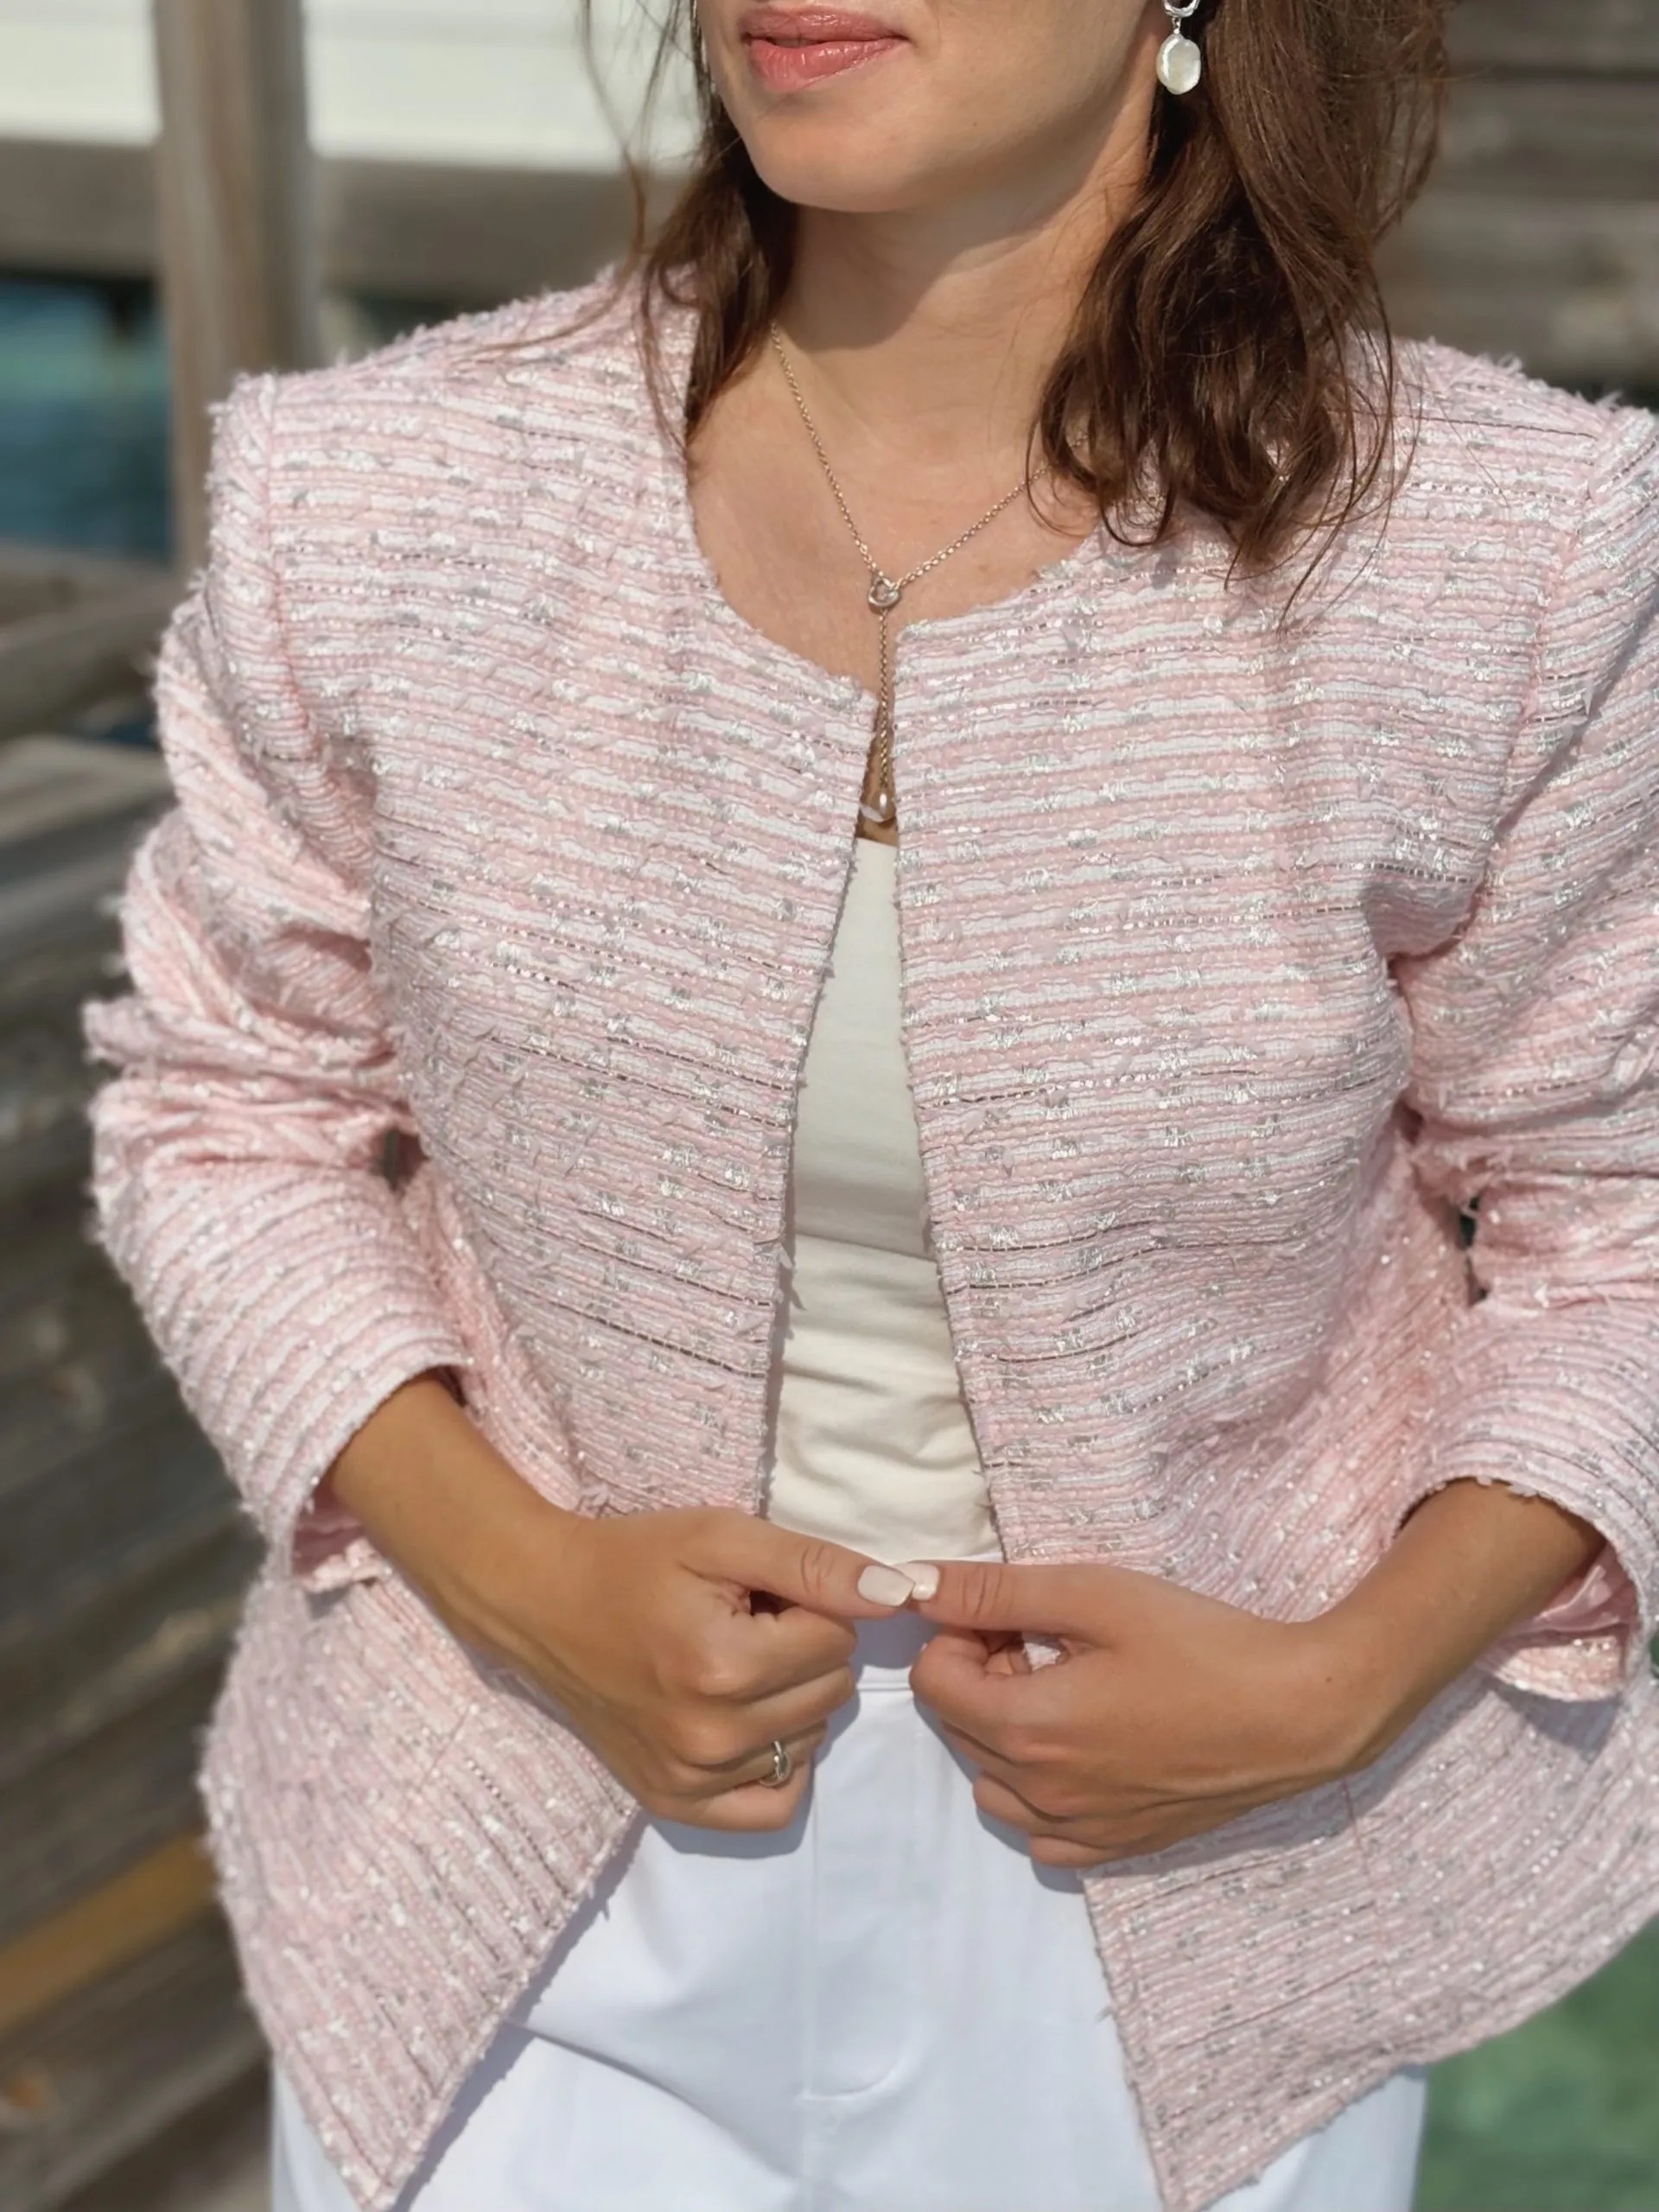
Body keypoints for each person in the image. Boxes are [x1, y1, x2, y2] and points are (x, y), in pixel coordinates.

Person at [83, 0, 1659, 2208]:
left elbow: (1621, 1224)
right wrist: (527, 1580)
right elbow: (221, 1114)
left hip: (1215, 1893)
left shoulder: (1502, 556)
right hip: (509, 1840)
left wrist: (1336, 1686)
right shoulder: (381, 497)